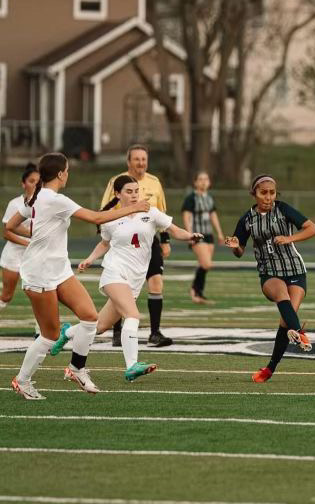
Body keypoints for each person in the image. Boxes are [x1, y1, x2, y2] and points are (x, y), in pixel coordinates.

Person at [7, 152, 150, 400]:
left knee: (90, 318)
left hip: (59, 268)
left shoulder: (35, 197)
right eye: (68, 170)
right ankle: (22, 380)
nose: (68, 174)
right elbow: (95, 217)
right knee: (50, 335)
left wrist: (38, 234)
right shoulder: (54, 199)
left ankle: (76, 369)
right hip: (39, 273)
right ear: (61, 174)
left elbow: (10, 225)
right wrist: (135, 207)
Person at [53, 174, 203, 380]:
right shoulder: (110, 218)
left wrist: (190, 235)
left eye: (136, 191)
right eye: (129, 192)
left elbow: (174, 230)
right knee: (132, 316)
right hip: (115, 273)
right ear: (117, 194)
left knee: (100, 326)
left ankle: (67, 333)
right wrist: (90, 259)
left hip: (134, 280)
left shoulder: (151, 212)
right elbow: (104, 244)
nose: (134, 195)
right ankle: (132, 364)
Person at [224, 174, 315, 383]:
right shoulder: (247, 219)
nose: (268, 197)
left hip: (295, 269)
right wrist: (236, 246)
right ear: (254, 194)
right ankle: (301, 333)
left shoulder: (283, 209)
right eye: (263, 193)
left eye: (272, 193)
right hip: (269, 272)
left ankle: (270, 369)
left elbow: (313, 228)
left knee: (286, 321)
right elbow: (239, 250)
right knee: (281, 295)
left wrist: (290, 238)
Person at [101, 144, 172, 348]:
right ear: (128, 161)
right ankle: (117, 331)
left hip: (149, 238)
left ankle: (155, 332)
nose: (141, 163)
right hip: (123, 238)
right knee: (121, 286)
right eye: (136, 159)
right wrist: (106, 233)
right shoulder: (117, 181)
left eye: (144, 159)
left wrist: (165, 240)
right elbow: (105, 209)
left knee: (156, 282)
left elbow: (162, 211)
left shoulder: (154, 182)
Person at [0, 164, 40, 325]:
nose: (35, 185)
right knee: (6, 296)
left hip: (35, 257)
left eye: (38, 181)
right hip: (14, 256)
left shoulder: (45, 204)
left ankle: (40, 334)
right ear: (23, 183)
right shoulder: (15, 204)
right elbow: (7, 232)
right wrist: (28, 242)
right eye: (31, 181)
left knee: (40, 295)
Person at [181, 170, 225, 304]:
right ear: (195, 182)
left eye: (206, 179)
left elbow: (213, 215)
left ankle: (198, 293)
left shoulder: (209, 198)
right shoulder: (191, 198)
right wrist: (190, 235)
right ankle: (195, 290)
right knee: (207, 264)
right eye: (200, 179)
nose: (204, 181)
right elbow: (186, 216)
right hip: (197, 235)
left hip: (209, 235)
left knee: (204, 265)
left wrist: (220, 233)